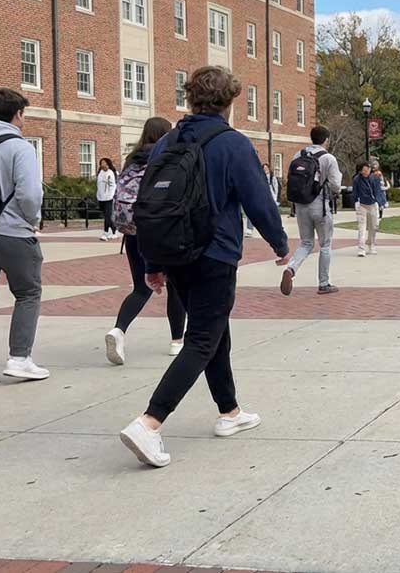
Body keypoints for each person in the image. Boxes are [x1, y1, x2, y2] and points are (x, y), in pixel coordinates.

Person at [118, 65, 289, 468]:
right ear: (229, 102)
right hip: (215, 253)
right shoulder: (233, 144)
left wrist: (153, 262)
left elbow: (152, 205)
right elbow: (258, 199)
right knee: (201, 339)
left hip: (175, 253)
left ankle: (229, 411)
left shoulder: (167, 142)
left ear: (191, 98)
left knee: (213, 331)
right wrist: (280, 243)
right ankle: (150, 422)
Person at [0, 88, 49, 389]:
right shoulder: (19, 147)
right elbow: (30, 194)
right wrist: (32, 220)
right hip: (12, 232)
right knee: (28, 293)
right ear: (18, 114)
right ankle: (19, 358)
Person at [104, 117, 187, 365]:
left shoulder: (132, 160)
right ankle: (176, 341)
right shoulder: (166, 158)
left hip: (132, 232)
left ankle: (118, 330)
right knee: (175, 288)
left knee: (141, 288)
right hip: (160, 231)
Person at [280, 125, 342, 295]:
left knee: (306, 243)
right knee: (325, 244)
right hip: (320, 205)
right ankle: (324, 283)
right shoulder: (328, 158)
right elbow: (336, 185)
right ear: (326, 140)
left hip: (301, 205)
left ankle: (291, 269)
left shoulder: (298, 155)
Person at [352, 162, 387, 257]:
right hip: (361, 205)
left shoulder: (374, 178)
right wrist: (356, 203)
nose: (367, 171)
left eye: (368, 169)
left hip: (373, 204)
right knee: (362, 227)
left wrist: (381, 203)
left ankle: (371, 245)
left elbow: (378, 191)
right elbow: (354, 193)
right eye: (365, 170)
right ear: (361, 171)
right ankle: (361, 248)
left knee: (374, 226)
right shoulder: (356, 180)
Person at [245, 162, 280, 238]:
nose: (265, 170)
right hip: (260, 198)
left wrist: (275, 199)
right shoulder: (258, 177)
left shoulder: (272, 178)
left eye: (266, 169)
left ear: (269, 169)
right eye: (263, 169)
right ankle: (249, 229)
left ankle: (275, 230)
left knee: (271, 216)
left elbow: (276, 188)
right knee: (251, 212)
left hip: (270, 199)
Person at [97, 158, 119, 241]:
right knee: (107, 217)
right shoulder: (100, 173)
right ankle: (114, 231)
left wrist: (112, 195)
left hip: (109, 198)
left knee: (107, 216)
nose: (102, 165)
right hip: (101, 197)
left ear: (108, 164)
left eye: (104, 163)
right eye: (101, 163)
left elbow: (113, 185)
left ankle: (105, 233)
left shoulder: (111, 173)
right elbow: (99, 185)